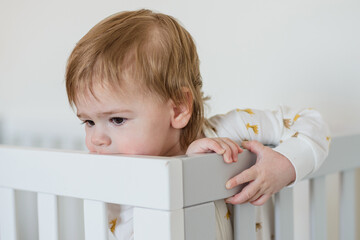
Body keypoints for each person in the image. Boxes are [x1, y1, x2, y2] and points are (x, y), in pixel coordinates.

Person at [65, 9, 330, 240]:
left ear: (178, 108)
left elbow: (312, 123)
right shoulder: (112, 178)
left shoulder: (232, 131)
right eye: (88, 122)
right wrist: (188, 170)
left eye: (117, 120)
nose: (96, 139)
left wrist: (284, 164)